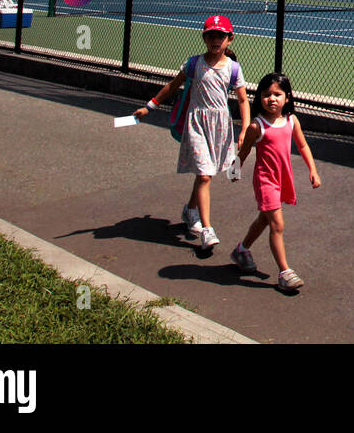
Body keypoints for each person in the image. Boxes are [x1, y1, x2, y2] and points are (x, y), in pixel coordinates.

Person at [134, 16, 250, 251]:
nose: (215, 40)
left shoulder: (234, 69)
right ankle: (207, 229)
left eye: (220, 35)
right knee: (205, 175)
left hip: (220, 126)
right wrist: (150, 106)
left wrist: (245, 128)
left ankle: (190, 210)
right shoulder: (193, 64)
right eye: (211, 35)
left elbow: (243, 99)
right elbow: (172, 86)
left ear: (230, 39)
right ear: (204, 38)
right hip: (196, 123)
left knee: (204, 175)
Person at [230, 73, 320, 291]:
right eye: (266, 95)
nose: (271, 99)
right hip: (265, 180)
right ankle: (285, 273)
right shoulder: (257, 126)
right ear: (259, 98)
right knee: (277, 224)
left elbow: (303, 145)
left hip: (282, 178)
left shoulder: (291, 121)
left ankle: (241, 250)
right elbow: (244, 151)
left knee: (264, 219)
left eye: (277, 94)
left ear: (287, 98)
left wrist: (313, 170)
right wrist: (234, 170)